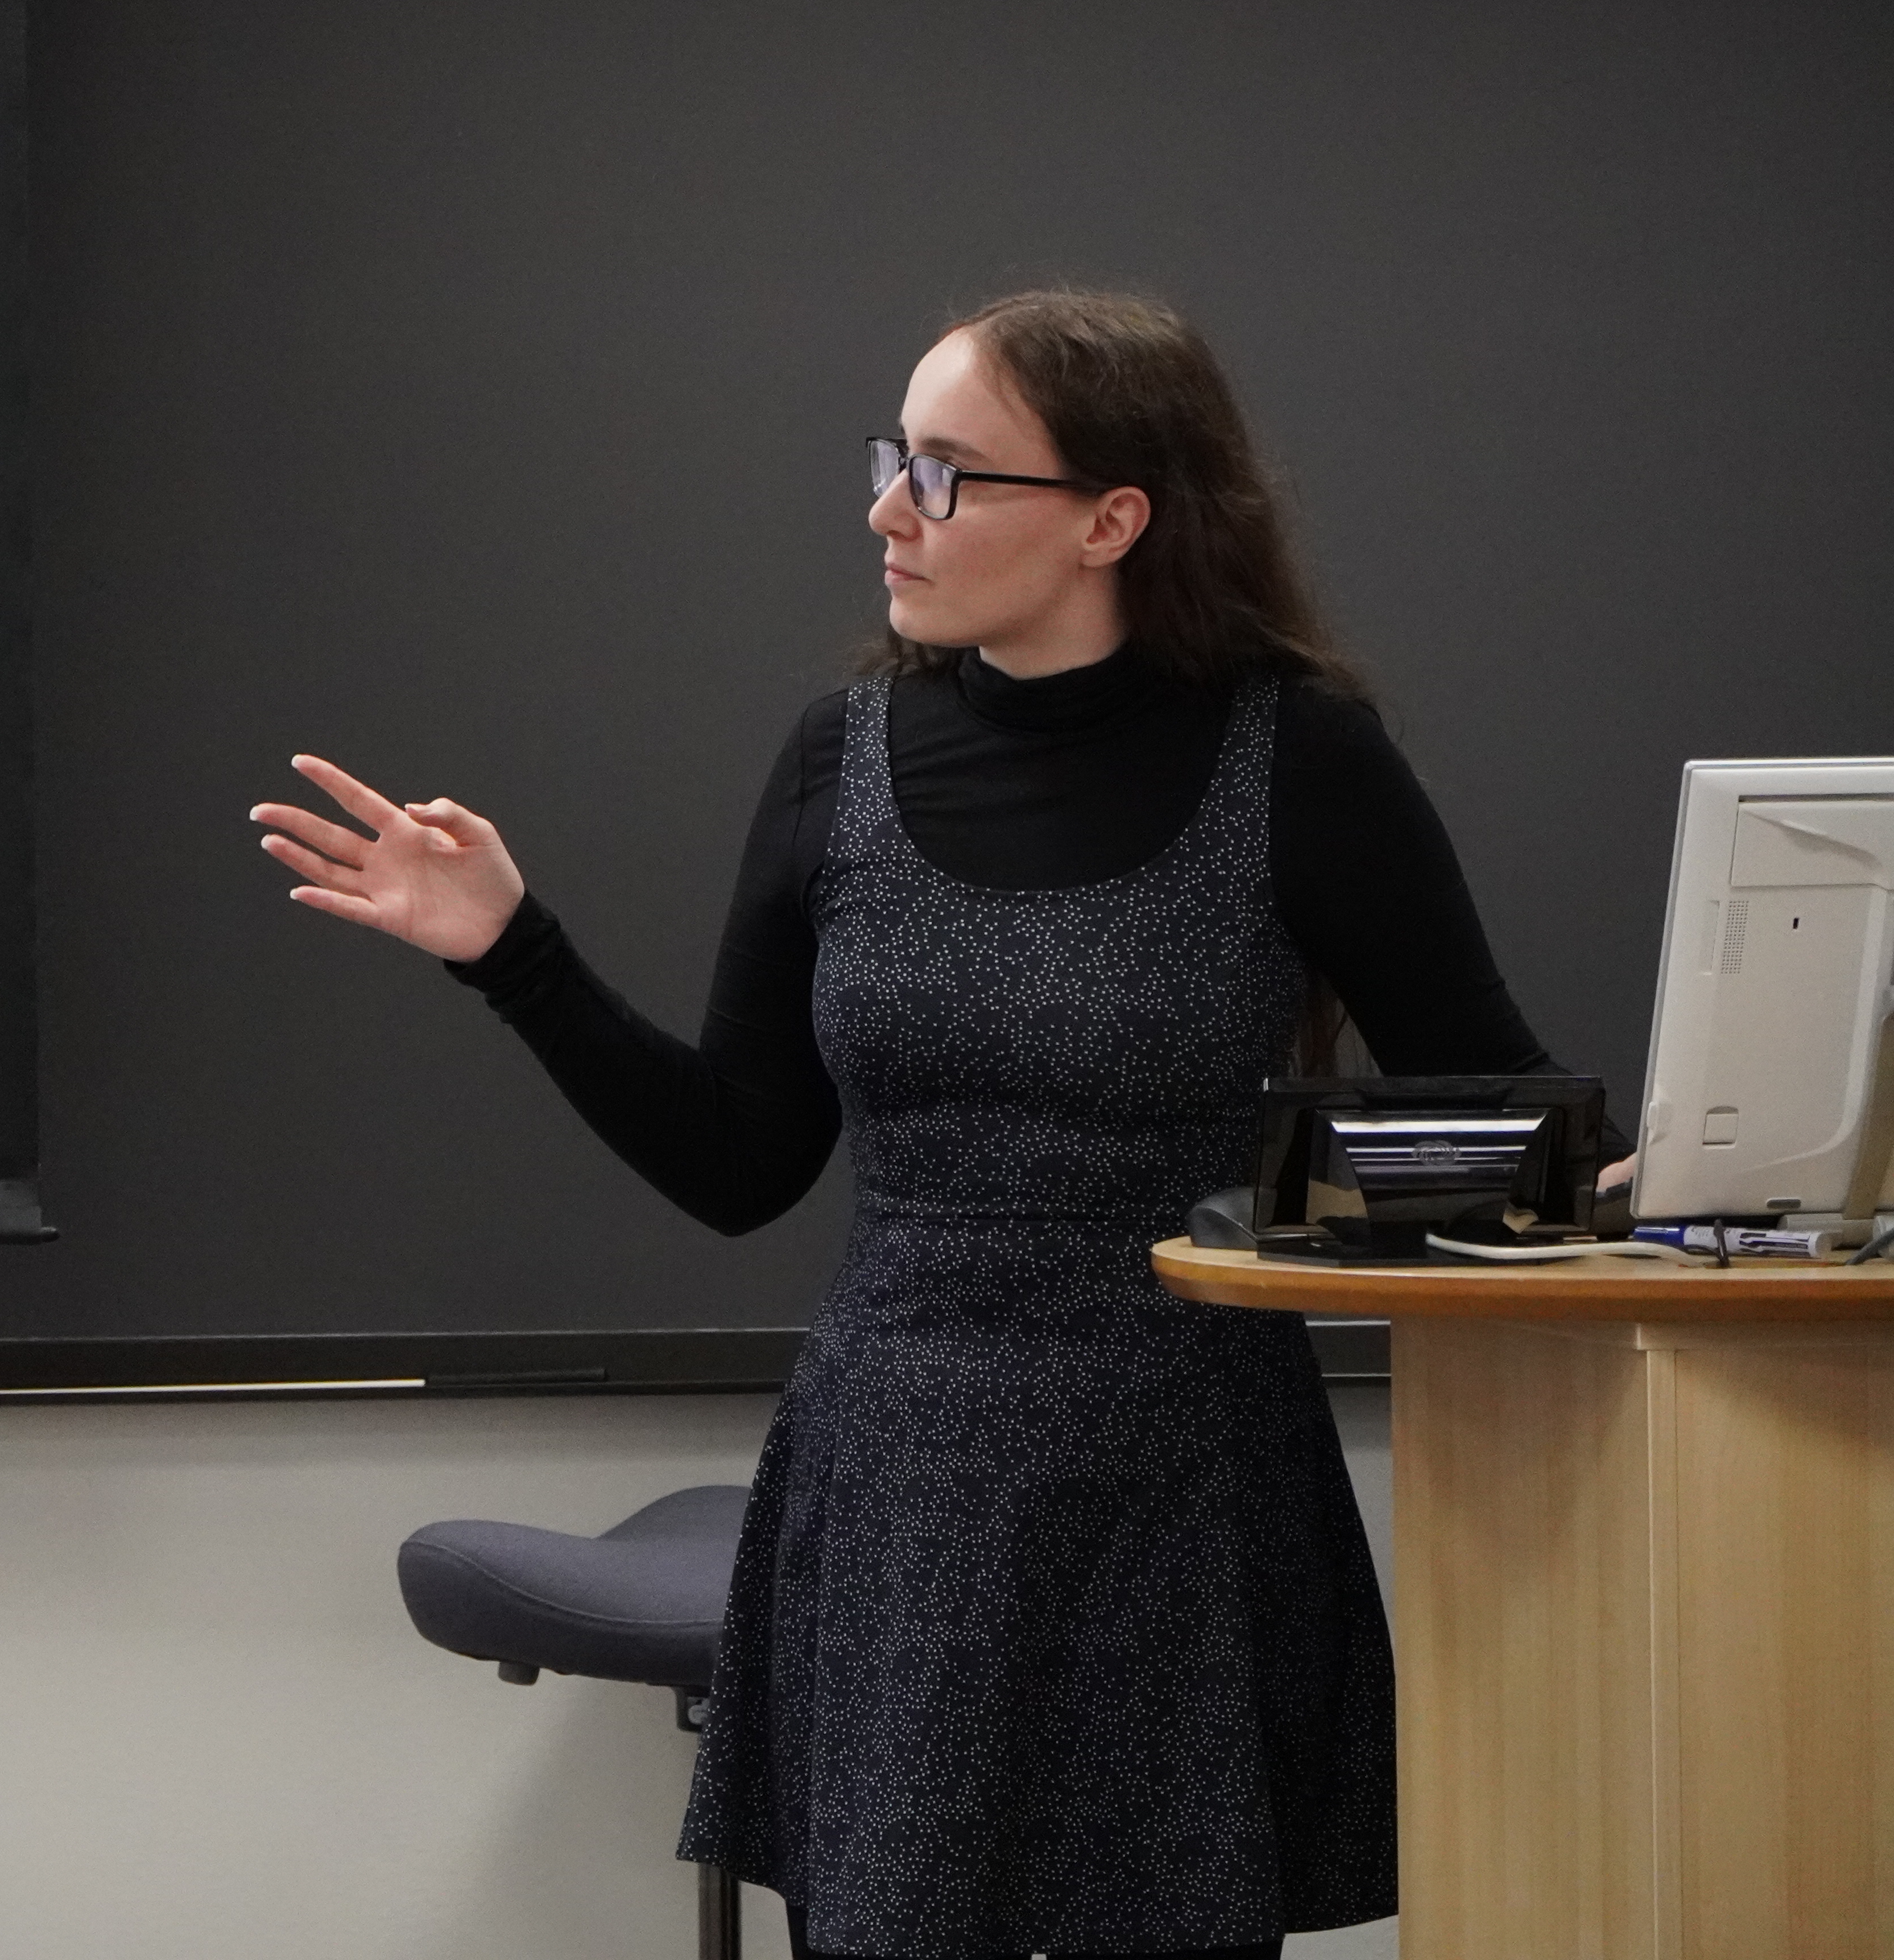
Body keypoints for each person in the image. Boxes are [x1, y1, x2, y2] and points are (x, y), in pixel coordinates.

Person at [250, 290, 1616, 1960]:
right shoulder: (846, 757)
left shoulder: (1301, 760)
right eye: (897, 456)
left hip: (1182, 1486)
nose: (890, 507)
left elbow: (1493, 1108)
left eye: (953, 473)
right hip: (902, 1468)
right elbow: (741, 1164)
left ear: (1114, 519)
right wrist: (512, 955)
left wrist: (1673, 1165)